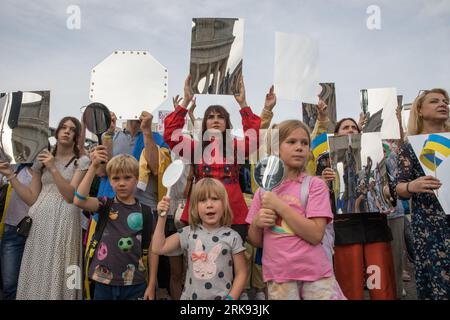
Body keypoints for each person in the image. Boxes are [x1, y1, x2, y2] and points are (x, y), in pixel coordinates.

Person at [246, 119, 345, 300]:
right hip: (279, 277)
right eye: (291, 142)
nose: (299, 147)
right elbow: (256, 241)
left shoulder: (315, 185)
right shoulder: (263, 191)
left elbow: (315, 235)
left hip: (316, 275)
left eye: (304, 143)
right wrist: (256, 223)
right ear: (275, 148)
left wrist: (280, 206)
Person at [0, 117, 90, 299]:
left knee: (63, 268)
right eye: (63, 127)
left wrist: (53, 167)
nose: (66, 131)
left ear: (76, 136)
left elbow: (70, 196)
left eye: (71, 129)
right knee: (38, 269)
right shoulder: (41, 161)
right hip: (39, 220)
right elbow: (32, 198)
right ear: (56, 133)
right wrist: (11, 176)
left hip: (65, 220)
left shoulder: (82, 162)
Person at [164, 75, 261, 243]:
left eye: (220, 116)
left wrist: (243, 103)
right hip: (202, 212)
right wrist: (185, 102)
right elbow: (171, 135)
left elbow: (254, 138)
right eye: (211, 116)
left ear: (227, 123)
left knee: (232, 263)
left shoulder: (236, 147)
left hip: (232, 213)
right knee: (200, 263)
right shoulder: (195, 148)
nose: (216, 120)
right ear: (205, 124)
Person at [321, 117, 396, 300]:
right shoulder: (325, 158)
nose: (350, 130)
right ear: (336, 134)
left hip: (375, 225)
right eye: (345, 127)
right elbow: (318, 195)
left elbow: (389, 186)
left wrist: (386, 193)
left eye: (354, 127)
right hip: (345, 228)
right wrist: (323, 180)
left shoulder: (376, 152)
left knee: (379, 282)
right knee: (350, 285)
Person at [74, 152, 159, 300]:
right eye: (116, 178)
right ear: (110, 181)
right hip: (103, 282)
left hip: (136, 283)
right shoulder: (104, 204)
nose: (121, 183)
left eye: (127, 178)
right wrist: (93, 167)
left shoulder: (146, 212)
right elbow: (79, 200)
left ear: (137, 179)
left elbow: (153, 250)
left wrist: (151, 284)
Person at [152, 177, 247, 300]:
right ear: (195, 207)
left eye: (215, 199)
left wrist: (231, 299)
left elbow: (242, 273)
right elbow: (158, 248)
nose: (209, 205)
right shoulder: (188, 233)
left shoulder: (233, 237)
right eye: (202, 200)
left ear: (224, 204)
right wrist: (161, 217)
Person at [395, 88, 449, 300]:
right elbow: (398, 188)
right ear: (420, 110)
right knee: (439, 286)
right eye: (434, 101)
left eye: (445, 101)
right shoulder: (409, 146)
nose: (443, 104)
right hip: (430, 227)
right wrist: (412, 186)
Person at [0, 164, 32, 299]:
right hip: (13, 228)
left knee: (34, 284)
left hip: (40, 230)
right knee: (10, 284)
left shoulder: (45, 164)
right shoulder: (12, 164)